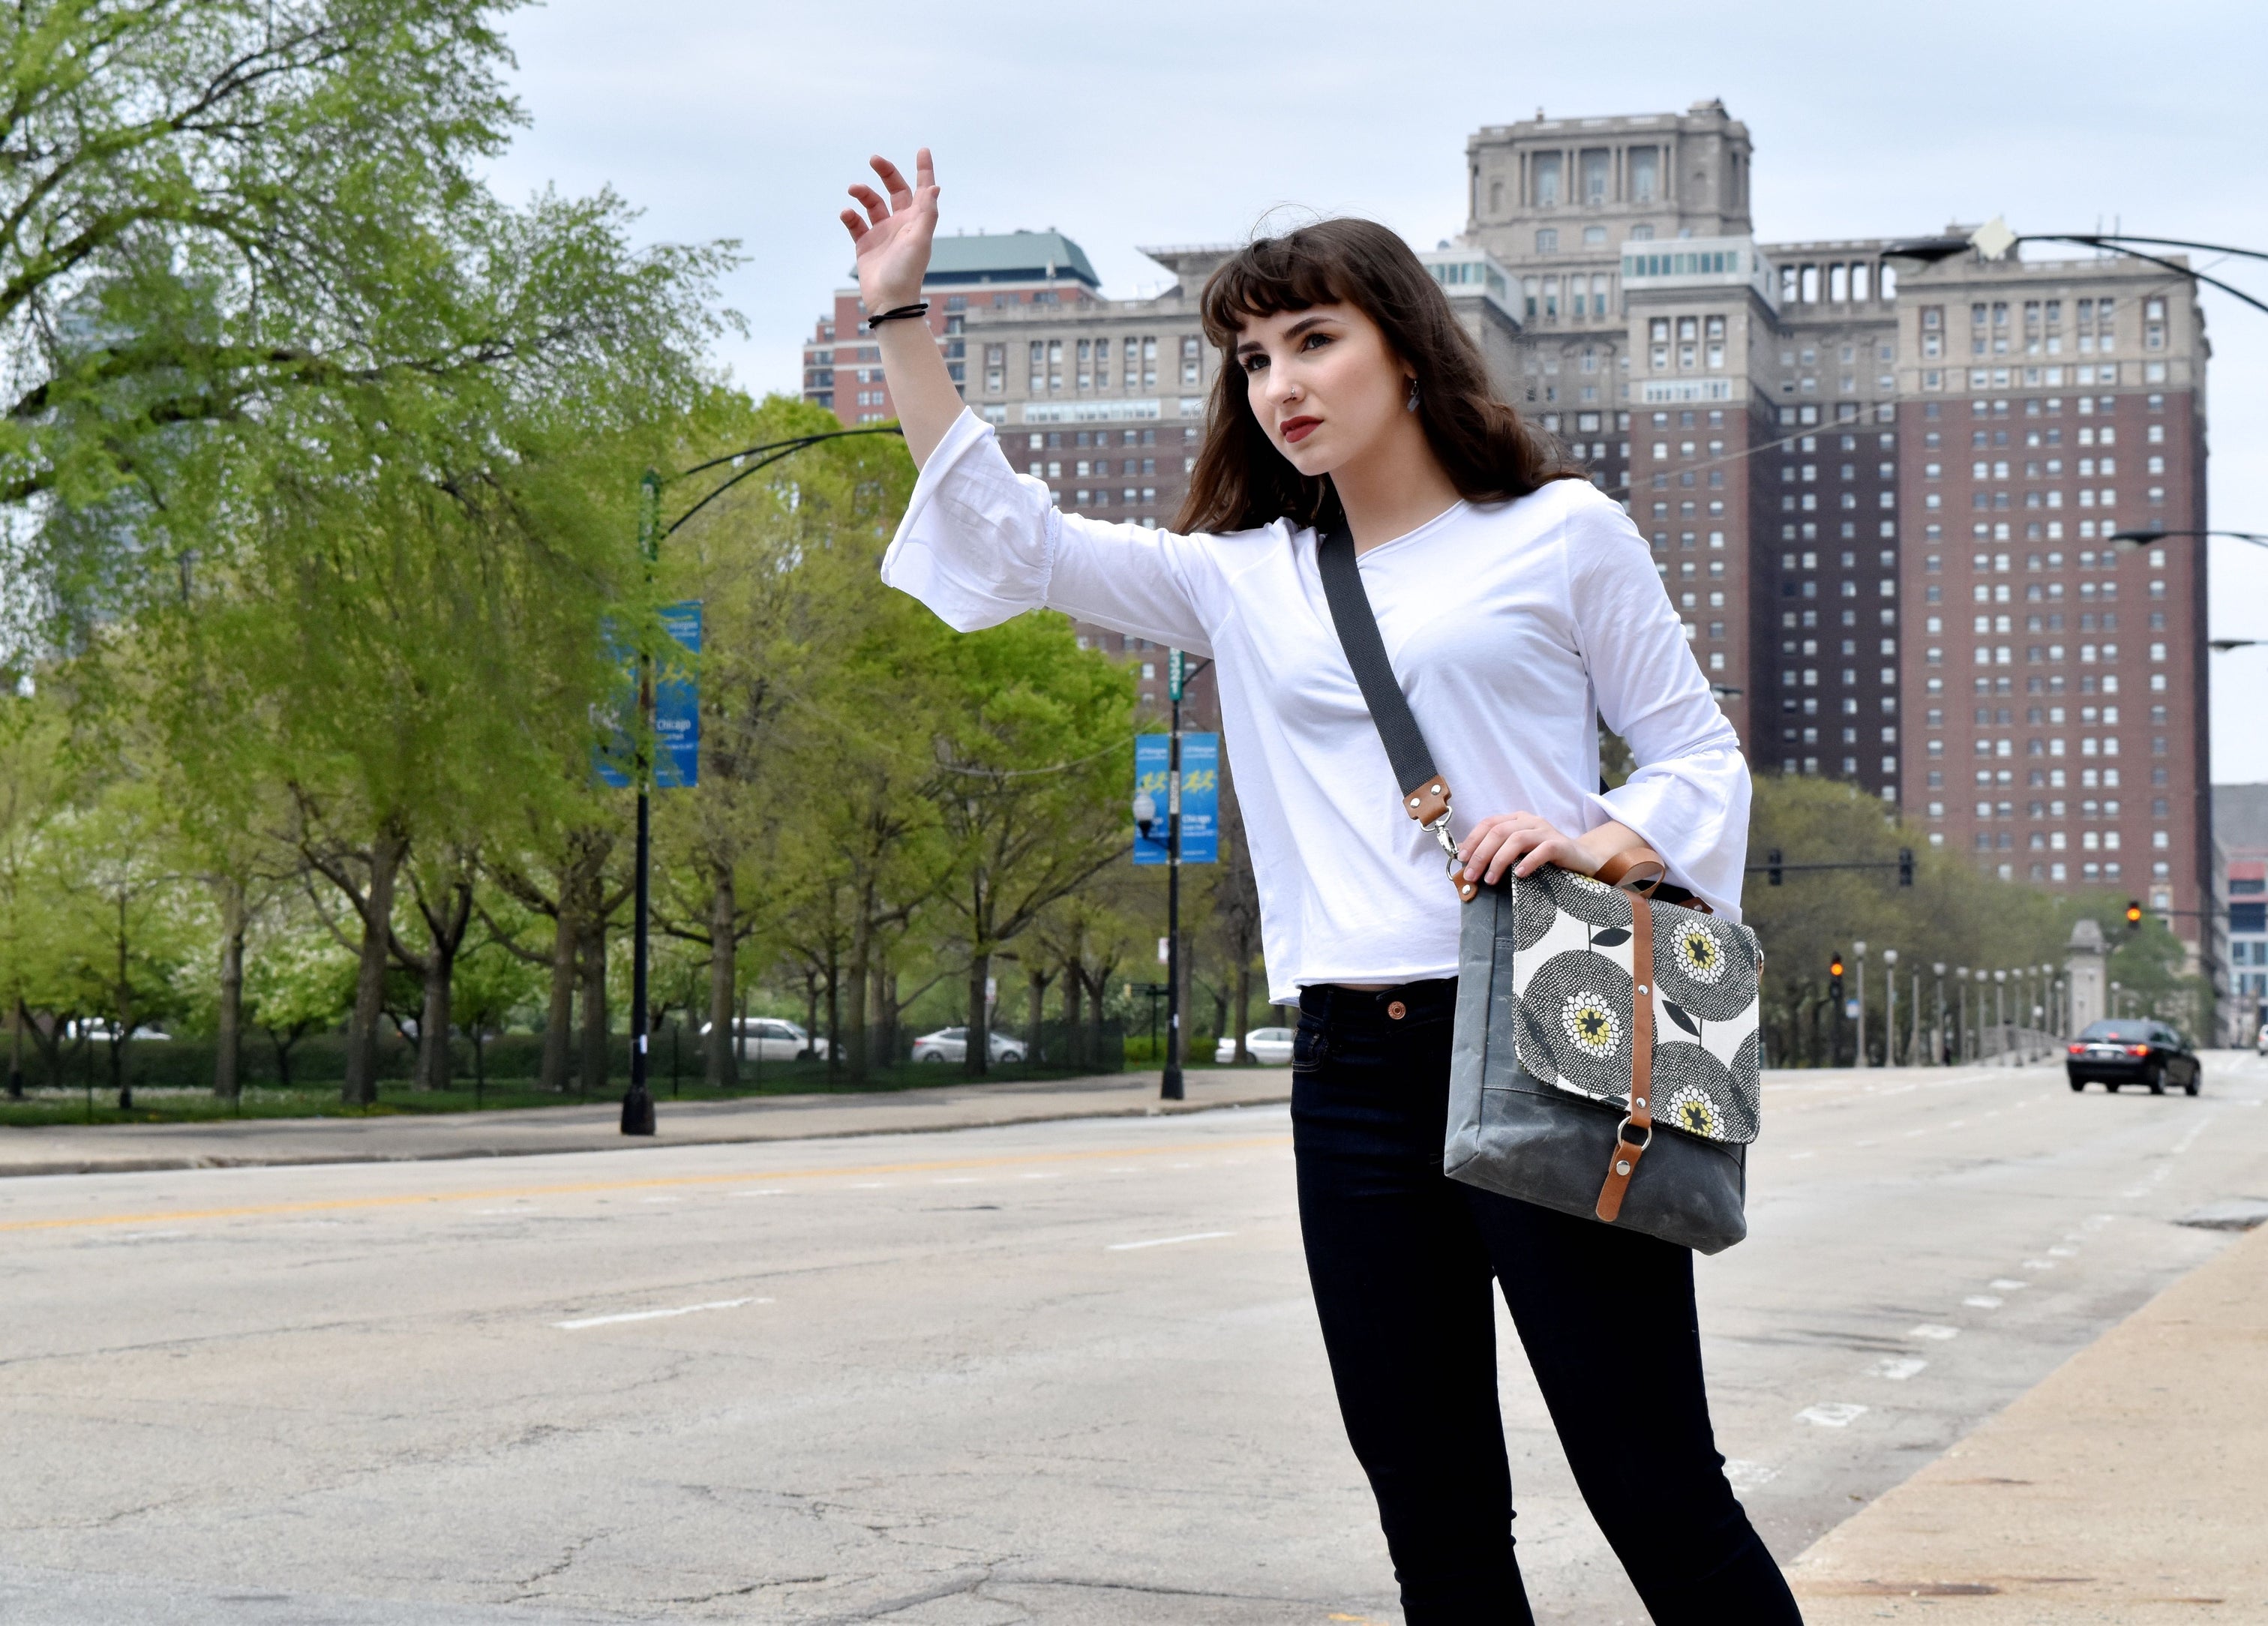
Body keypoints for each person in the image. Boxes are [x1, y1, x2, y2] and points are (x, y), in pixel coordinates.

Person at [840, 149, 1801, 1624]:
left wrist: (1603, 837)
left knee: (1655, 1488)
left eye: (1314, 340)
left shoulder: (1559, 534)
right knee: (1436, 1516)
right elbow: (1009, 536)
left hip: (1554, 1036)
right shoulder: (1244, 576)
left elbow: (1693, 754)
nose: (1279, 380)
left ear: (1407, 349)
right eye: (1252, 356)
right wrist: (902, 319)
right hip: (1352, 1071)